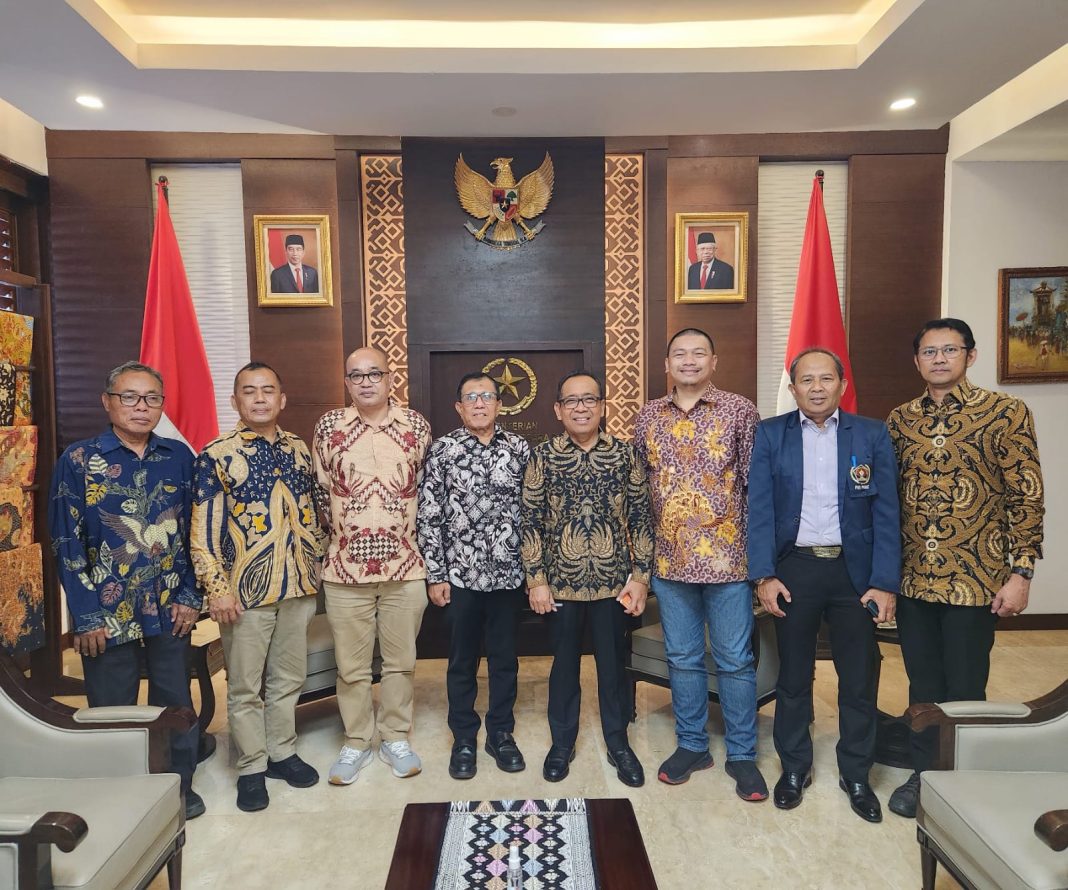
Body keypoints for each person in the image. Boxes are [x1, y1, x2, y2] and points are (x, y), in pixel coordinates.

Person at [885, 318, 1044, 818]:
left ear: (970, 356)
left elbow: (1027, 496)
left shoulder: (1005, 413)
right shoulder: (900, 419)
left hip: (975, 580)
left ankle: (966, 780)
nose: (938, 359)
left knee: (966, 685)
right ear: (916, 361)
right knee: (922, 684)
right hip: (914, 579)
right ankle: (924, 774)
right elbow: (887, 503)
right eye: (929, 351)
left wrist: (1021, 574)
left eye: (949, 350)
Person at [748, 348, 901, 823]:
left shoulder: (871, 434)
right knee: (794, 678)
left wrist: (884, 582)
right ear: (792, 389)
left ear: (841, 384)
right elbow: (760, 510)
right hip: (795, 569)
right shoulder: (771, 434)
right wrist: (764, 575)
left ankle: (856, 773)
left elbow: (888, 512)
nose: (816, 387)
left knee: (859, 678)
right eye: (806, 380)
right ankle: (794, 768)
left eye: (826, 378)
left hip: (854, 576)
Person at [48, 360, 205, 819]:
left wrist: (190, 596)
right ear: (108, 402)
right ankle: (120, 789)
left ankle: (179, 783)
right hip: (107, 609)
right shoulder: (79, 460)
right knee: (113, 705)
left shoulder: (179, 457)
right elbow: (66, 542)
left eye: (152, 398)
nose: (141, 407)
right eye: (130, 397)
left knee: (174, 698)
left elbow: (194, 534)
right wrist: (87, 615)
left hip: (169, 602)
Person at [634, 328, 767, 801]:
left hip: (729, 562)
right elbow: (639, 492)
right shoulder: (648, 415)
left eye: (698, 353)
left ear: (714, 360)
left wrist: (762, 564)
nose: (689, 361)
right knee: (683, 658)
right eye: (679, 354)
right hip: (670, 564)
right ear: (667, 363)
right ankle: (692, 745)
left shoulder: (740, 410)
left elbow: (758, 488)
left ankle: (742, 754)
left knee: (734, 660)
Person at [191, 362, 325, 812]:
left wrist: (318, 565)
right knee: (246, 686)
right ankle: (251, 766)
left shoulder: (300, 449)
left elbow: (311, 513)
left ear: (282, 399)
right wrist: (217, 589)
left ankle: (282, 751)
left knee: (289, 678)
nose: (260, 398)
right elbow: (203, 532)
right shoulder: (216, 454)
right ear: (235, 402)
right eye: (250, 391)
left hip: (300, 585)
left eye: (269, 390)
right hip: (244, 594)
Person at [521, 370, 653, 787]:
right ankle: (562, 744)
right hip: (560, 584)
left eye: (589, 400)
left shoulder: (626, 454)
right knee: (563, 668)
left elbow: (641, 518)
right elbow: (529, 521)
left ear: (602, 406)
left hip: (615, 585)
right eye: (572, 401)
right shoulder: (542, 456)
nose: (581, 408)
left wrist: (641, 577)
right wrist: (536, 579)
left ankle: (618, 742)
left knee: (614, 667)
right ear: (558, 410)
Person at [312, 346, 432, 785]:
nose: (365, 381)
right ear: (346, 382)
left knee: (401, 662)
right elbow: (320, 493)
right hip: (346, 571)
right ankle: (357, 741)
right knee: (352, 666)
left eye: (373, 373)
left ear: (389, 378)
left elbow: (425, 489)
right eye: (356, 375)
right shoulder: (328, 427)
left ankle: (395, 736)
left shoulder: (416, 426)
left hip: (405, 568)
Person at [416, 372, 530, 779]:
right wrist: (436, 573)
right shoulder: (443, 450)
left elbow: (532, 512)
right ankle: (464, 736)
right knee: (461, 661)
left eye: (487, 396)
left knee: (504, 659)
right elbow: (429, 514)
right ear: (459, 407)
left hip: (507, 576)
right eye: (471, 397)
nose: (480, 403)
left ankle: (501, 733)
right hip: (460, 576)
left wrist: (533, 573)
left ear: (500, 404)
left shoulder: (519, 449)